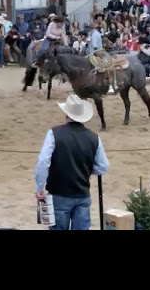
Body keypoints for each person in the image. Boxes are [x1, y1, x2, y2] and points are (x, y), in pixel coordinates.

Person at [34, 94, 109, 230]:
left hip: (59, 193)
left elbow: (43, 162)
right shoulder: (94, 138)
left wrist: (40, 187)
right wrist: (86, 168)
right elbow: (103, 167)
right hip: (82, 194)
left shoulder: (54, 133)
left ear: (66, 114)